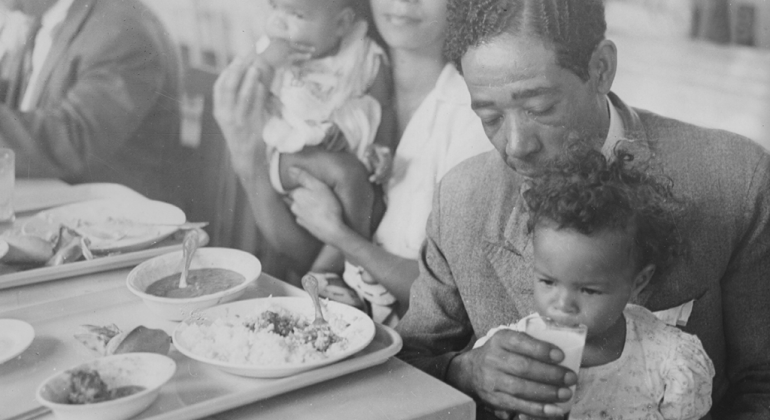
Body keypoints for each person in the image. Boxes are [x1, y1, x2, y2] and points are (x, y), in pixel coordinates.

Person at [394, 0, 770, 418]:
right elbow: (409, 361)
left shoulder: (736, 179)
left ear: (602, 69)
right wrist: (463, 371)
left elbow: (764, 383)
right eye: (490, 116)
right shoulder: (461, 200)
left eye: (540, 109)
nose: (516, 145)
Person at [213, 0, 492, 324]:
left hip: (410, 353)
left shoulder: (473, 116)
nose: (404, 2)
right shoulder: (334, 77)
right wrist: (246, 157)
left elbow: (456, 299)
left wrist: (344, 239)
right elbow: (302, 254)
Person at [473, 146, 714, 419]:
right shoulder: (516, 349)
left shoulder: (668, 361)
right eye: (548, 281)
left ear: (639, 281)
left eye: (588, 289)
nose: (562, 305)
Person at [249, 0, 396, 281]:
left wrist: (381, 148)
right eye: (276, 7)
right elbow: (248, 102)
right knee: (350, 174)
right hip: (289, 154)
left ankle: (338, 272)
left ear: (341, 24)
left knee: (375, 198)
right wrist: (266, 63)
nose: (281, 21)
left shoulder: (363, 55)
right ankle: (327, 274)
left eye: (297, 14)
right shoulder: (275, 53)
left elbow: (383, 108)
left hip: (344, 154)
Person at [0, 0, 182, 204]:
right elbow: (23, 104)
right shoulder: (45, 18)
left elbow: (74, 140)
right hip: (53, 204)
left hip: (113, 219)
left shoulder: (122, 30)